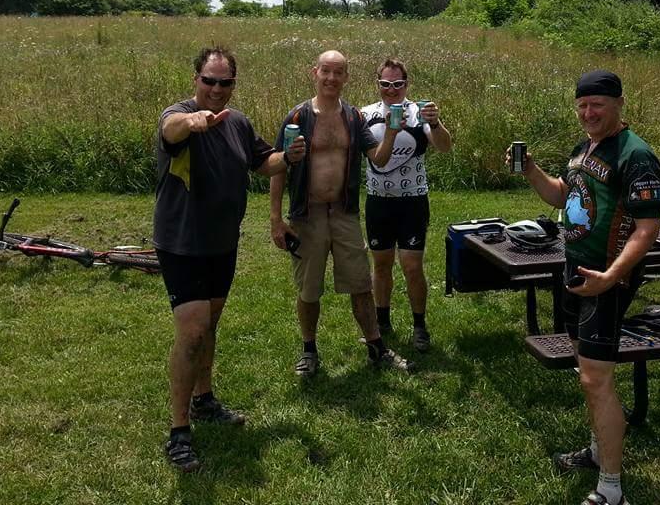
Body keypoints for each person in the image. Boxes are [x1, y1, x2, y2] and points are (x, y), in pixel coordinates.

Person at [510, 69, 660, 505]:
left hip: (605, 279)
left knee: (597, 380)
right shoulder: (585, 148)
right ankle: (598, 452)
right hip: (575, 270)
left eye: (596, 104)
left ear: (618, 103)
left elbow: (647, 230)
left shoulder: (636, 156)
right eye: (581, 105)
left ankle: (612, 489)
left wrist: (612, 277)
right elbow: (562, 196)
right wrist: (531, 170)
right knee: (587, 375)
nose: (588, 113)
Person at [153, 45, 305, 473]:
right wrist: (193, 121)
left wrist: (288, 158)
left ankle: (204, 401)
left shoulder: (237, 122)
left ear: (234, 84)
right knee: (194, 331)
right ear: (195, 79)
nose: (217, 89)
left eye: (225, 82)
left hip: (222, 242)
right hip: (182, 243)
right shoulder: (178, 114)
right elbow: (171, 130)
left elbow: (264, 163)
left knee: (210, 325)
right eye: (209, 81)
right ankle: (178, 433)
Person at [270, 50, 414, 377]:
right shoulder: (297, 117)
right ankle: (309, 350)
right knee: (309, 288)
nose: (332, 78)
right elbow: (278, 168)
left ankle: (377, 347)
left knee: (361, 283)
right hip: (308, 215)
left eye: (339, 73)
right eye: (326, 72)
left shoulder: (353, 117)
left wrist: (391, 132)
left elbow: (378, 159)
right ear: (315, 73)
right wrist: (276, 220)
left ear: (346, 77)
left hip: (344, 213)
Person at [360, 58, 452, 352]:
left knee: (412, 266)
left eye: (398, 84)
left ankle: (419, 325)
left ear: (406, 84)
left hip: (412, 200)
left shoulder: (419, 113)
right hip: (378, 201)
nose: (391, 90)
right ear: (378, 84)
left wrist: (435, 122)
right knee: (381, 264)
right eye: (385, 84)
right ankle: (382, 321)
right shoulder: (365, 114)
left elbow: (445, 146)